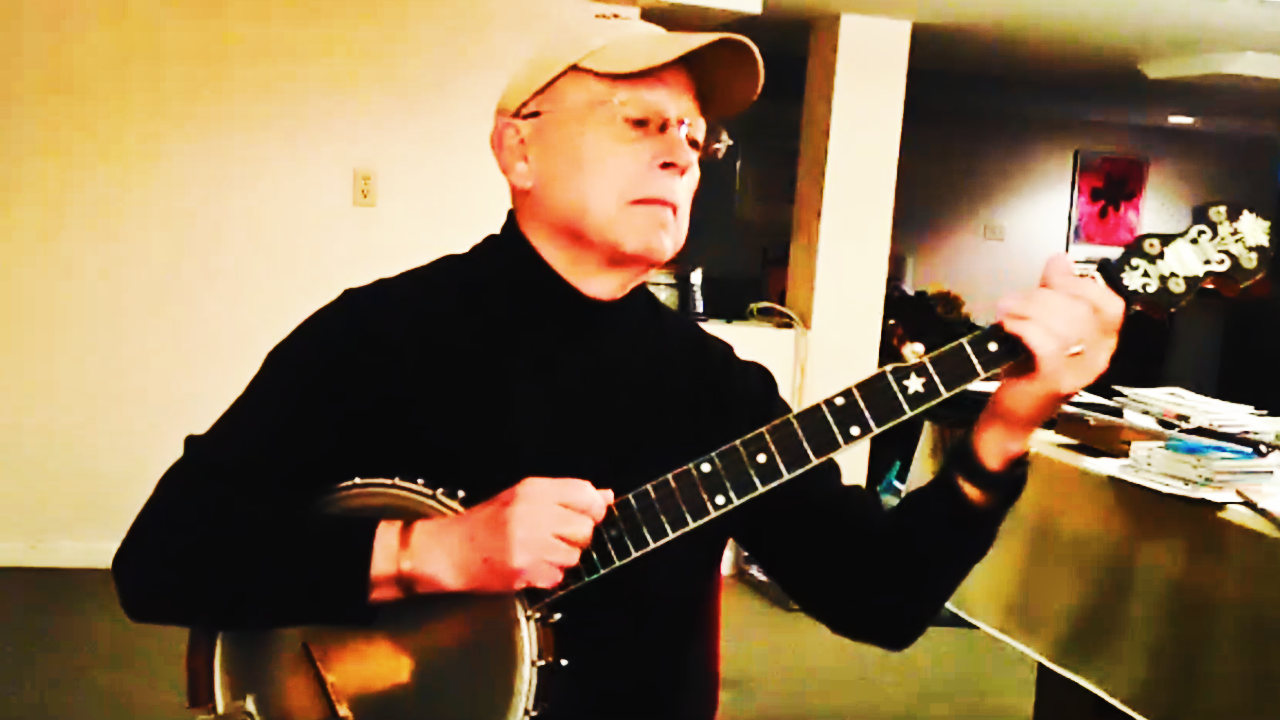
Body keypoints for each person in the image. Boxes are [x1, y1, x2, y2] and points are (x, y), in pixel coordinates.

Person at [111, 9, 1125, 720]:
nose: (681, 155)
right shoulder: (378, 337)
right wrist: (431, 553)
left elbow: (881, 602)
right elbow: (162, 561)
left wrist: (1004, 431)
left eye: (696, 139)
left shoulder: (715, 387)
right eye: (640, 122)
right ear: (517, 150)